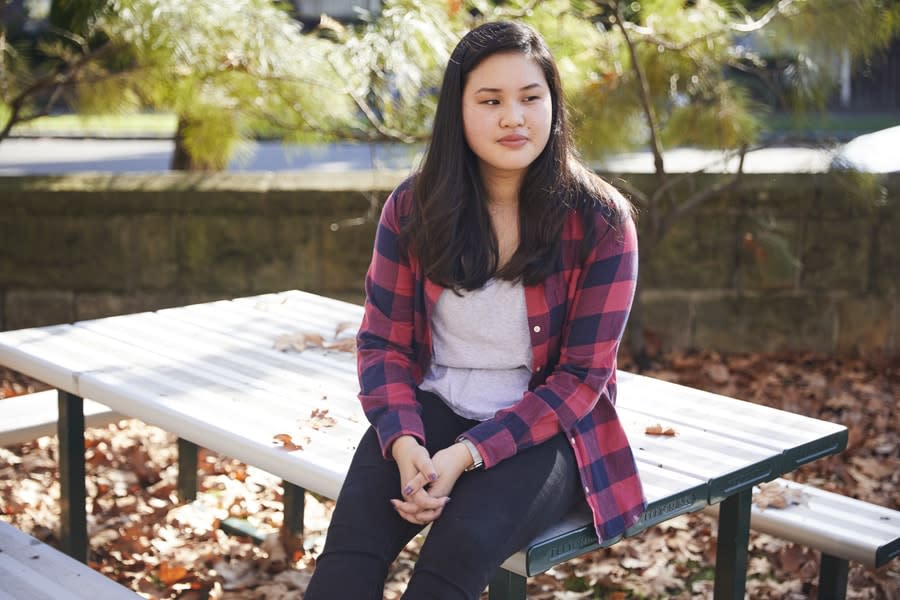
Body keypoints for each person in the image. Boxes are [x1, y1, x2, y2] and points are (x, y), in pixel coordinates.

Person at [304, 20, 645, 600]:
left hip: (545, 427)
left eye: (531, 98)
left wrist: (467, 454)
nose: (514, 117)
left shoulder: (601, 222)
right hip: (431, 405)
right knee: (346, 564)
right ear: (458, 112)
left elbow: (580, 380)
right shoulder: (414, 208)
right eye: (491, 100)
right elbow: (382, 343)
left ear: (553, 106)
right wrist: (405, 441)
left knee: (447, 569)